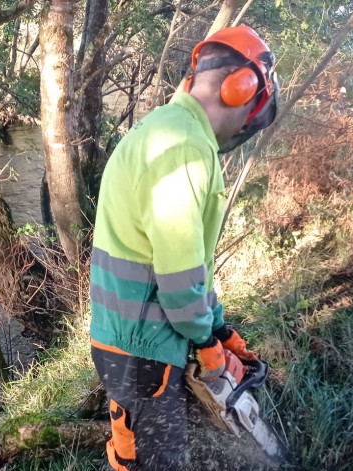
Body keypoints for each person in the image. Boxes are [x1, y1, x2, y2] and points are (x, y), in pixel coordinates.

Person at [89, 26, 279, 470]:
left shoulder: (163, 128)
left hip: (128, 338)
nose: (246, 123)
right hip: (143, 347)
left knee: (131, 449)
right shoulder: (185, 149)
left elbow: (183, 264)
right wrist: (206, 342)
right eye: (252, 110)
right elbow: (177, 285)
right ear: (239, 89)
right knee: (158, 461)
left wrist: (218, 326)